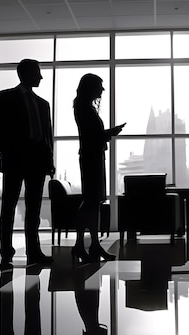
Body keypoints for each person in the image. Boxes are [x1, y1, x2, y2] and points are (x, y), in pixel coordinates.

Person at [0, 59, 55, 270]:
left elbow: (47, 138)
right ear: (26, 73)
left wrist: (50, 162)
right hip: (15, 160)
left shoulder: (43, 104)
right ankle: (6, 253)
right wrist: (7, 156)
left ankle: (33, 251)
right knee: (8, 208)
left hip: (37, 161)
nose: (41, 77)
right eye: (38, 72)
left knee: (34, 209)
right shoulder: (5, 97)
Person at [72, 73, 125, 263]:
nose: (102, 90)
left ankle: (92, 245)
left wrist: (108, 133)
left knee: (93, 202)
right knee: (90, 201)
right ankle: (81, 245)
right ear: (91, 87)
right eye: (100, 86)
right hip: (91, 158)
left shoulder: (84, 106)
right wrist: (111, 132)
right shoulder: (84, 107)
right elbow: (92, 135)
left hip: (93, 157)